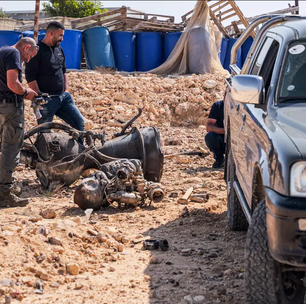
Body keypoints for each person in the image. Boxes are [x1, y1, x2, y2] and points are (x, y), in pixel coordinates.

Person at [25, 21, 85, 133]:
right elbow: (30, 77)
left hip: (63, 97)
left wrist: (66, 90)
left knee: (79, 123)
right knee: (45, 132)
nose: (62, 39)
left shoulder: (59, 49)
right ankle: (43, 151)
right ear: (51, 33)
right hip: (46, 101)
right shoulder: (36, 51)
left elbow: (63, 71)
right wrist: (40, 96)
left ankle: (80, 150)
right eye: (60, 35)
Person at [0, 37, 38, 207]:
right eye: (30, 55)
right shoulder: (14, 53)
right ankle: (4, 193)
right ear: (26, 47)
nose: (28, 60)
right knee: (10, 147)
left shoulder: (2, 51)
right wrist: (25, 93)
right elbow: (13, 83)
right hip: (9, 107)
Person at [205, 100, 225, 169]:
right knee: (210, 137)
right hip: (222, 139)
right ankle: (219, 159)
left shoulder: (242, 106)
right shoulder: (218, 106)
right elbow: (209, 127)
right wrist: (224, 131)